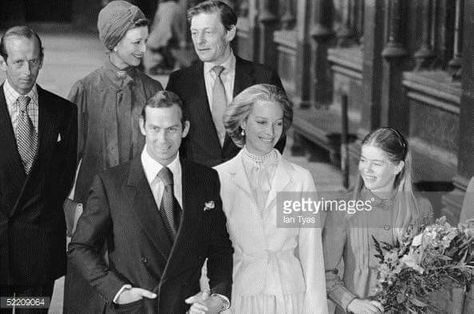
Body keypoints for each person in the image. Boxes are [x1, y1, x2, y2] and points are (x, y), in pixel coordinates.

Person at [68, 90, 233, 313]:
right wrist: (117, 291)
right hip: (135, 308)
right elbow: (80, 247)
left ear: (185, 129)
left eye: (172, 129)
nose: (162, 140)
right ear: (142, 126)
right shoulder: (111, 183)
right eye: (155, 129)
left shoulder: (205, 179)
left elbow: (220, 247)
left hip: (185, 309)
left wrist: (218, 297)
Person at [64, 1, 162, 311]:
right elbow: (65, 161)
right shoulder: (85, 90)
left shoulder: (152, 91)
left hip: (139, 215)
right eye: (137, 42)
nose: (144, 49)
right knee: (89, 297)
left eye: (146, 40)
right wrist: (71, 210)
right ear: (114, 42)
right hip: (92, 214)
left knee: (139, 297)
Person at [214, 84, 328, 313]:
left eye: (278, 123)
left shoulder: (300, 180)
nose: (271, 132)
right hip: (237, 297)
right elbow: (208, 253)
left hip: (288, 298)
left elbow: (311, 254)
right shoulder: (218, 178)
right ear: (243, 122)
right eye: (262, 122)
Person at [0, 26, 77, 313]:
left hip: (39, 250)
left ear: (42, 60)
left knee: (33, 310)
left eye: (33, 61)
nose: (27, 70)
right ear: (3, 62)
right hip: (1, 248)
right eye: (18, 62)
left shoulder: (63, 113)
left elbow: (64, 176)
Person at [322, 127, 434, 314]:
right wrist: (351, 303)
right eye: (363, 160)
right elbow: (324, 271)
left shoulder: (421, 209)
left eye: (377, 163)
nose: (367, 169)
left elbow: (427, 271)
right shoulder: (343, 209)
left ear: (398, 167)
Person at [167, 0, 285, 167]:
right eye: (194, 33)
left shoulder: (263, 77)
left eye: (208, 32)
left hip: (249, 183)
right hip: (198, 184)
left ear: (229, 33)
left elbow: (279, 134)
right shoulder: (179, 82)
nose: (199, 41)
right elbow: (172, 136)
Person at [144, 0, 187, 74]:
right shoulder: (175, 7)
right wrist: (181, 39)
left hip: (160, 37)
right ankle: (161, 66)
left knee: (150, 46)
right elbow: (176, 25)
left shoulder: (163, 6)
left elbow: (155, 24)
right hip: (167, 37)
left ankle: (157, 66)